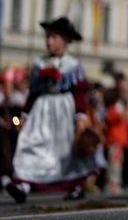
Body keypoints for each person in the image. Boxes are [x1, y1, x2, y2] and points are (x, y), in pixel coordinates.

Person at [7, 17, 96, 203]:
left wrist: (80, 117)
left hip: (64, 109)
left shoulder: (73, 66)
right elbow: (33, 92)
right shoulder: (40, 63)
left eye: (54, 37)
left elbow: (80, 93)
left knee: (64, 149)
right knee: (31, 142)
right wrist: (24, 114)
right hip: (42, 110)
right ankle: (23, 183)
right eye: (48, 37)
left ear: (66, 41)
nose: (49, 41)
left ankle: (76, 184)